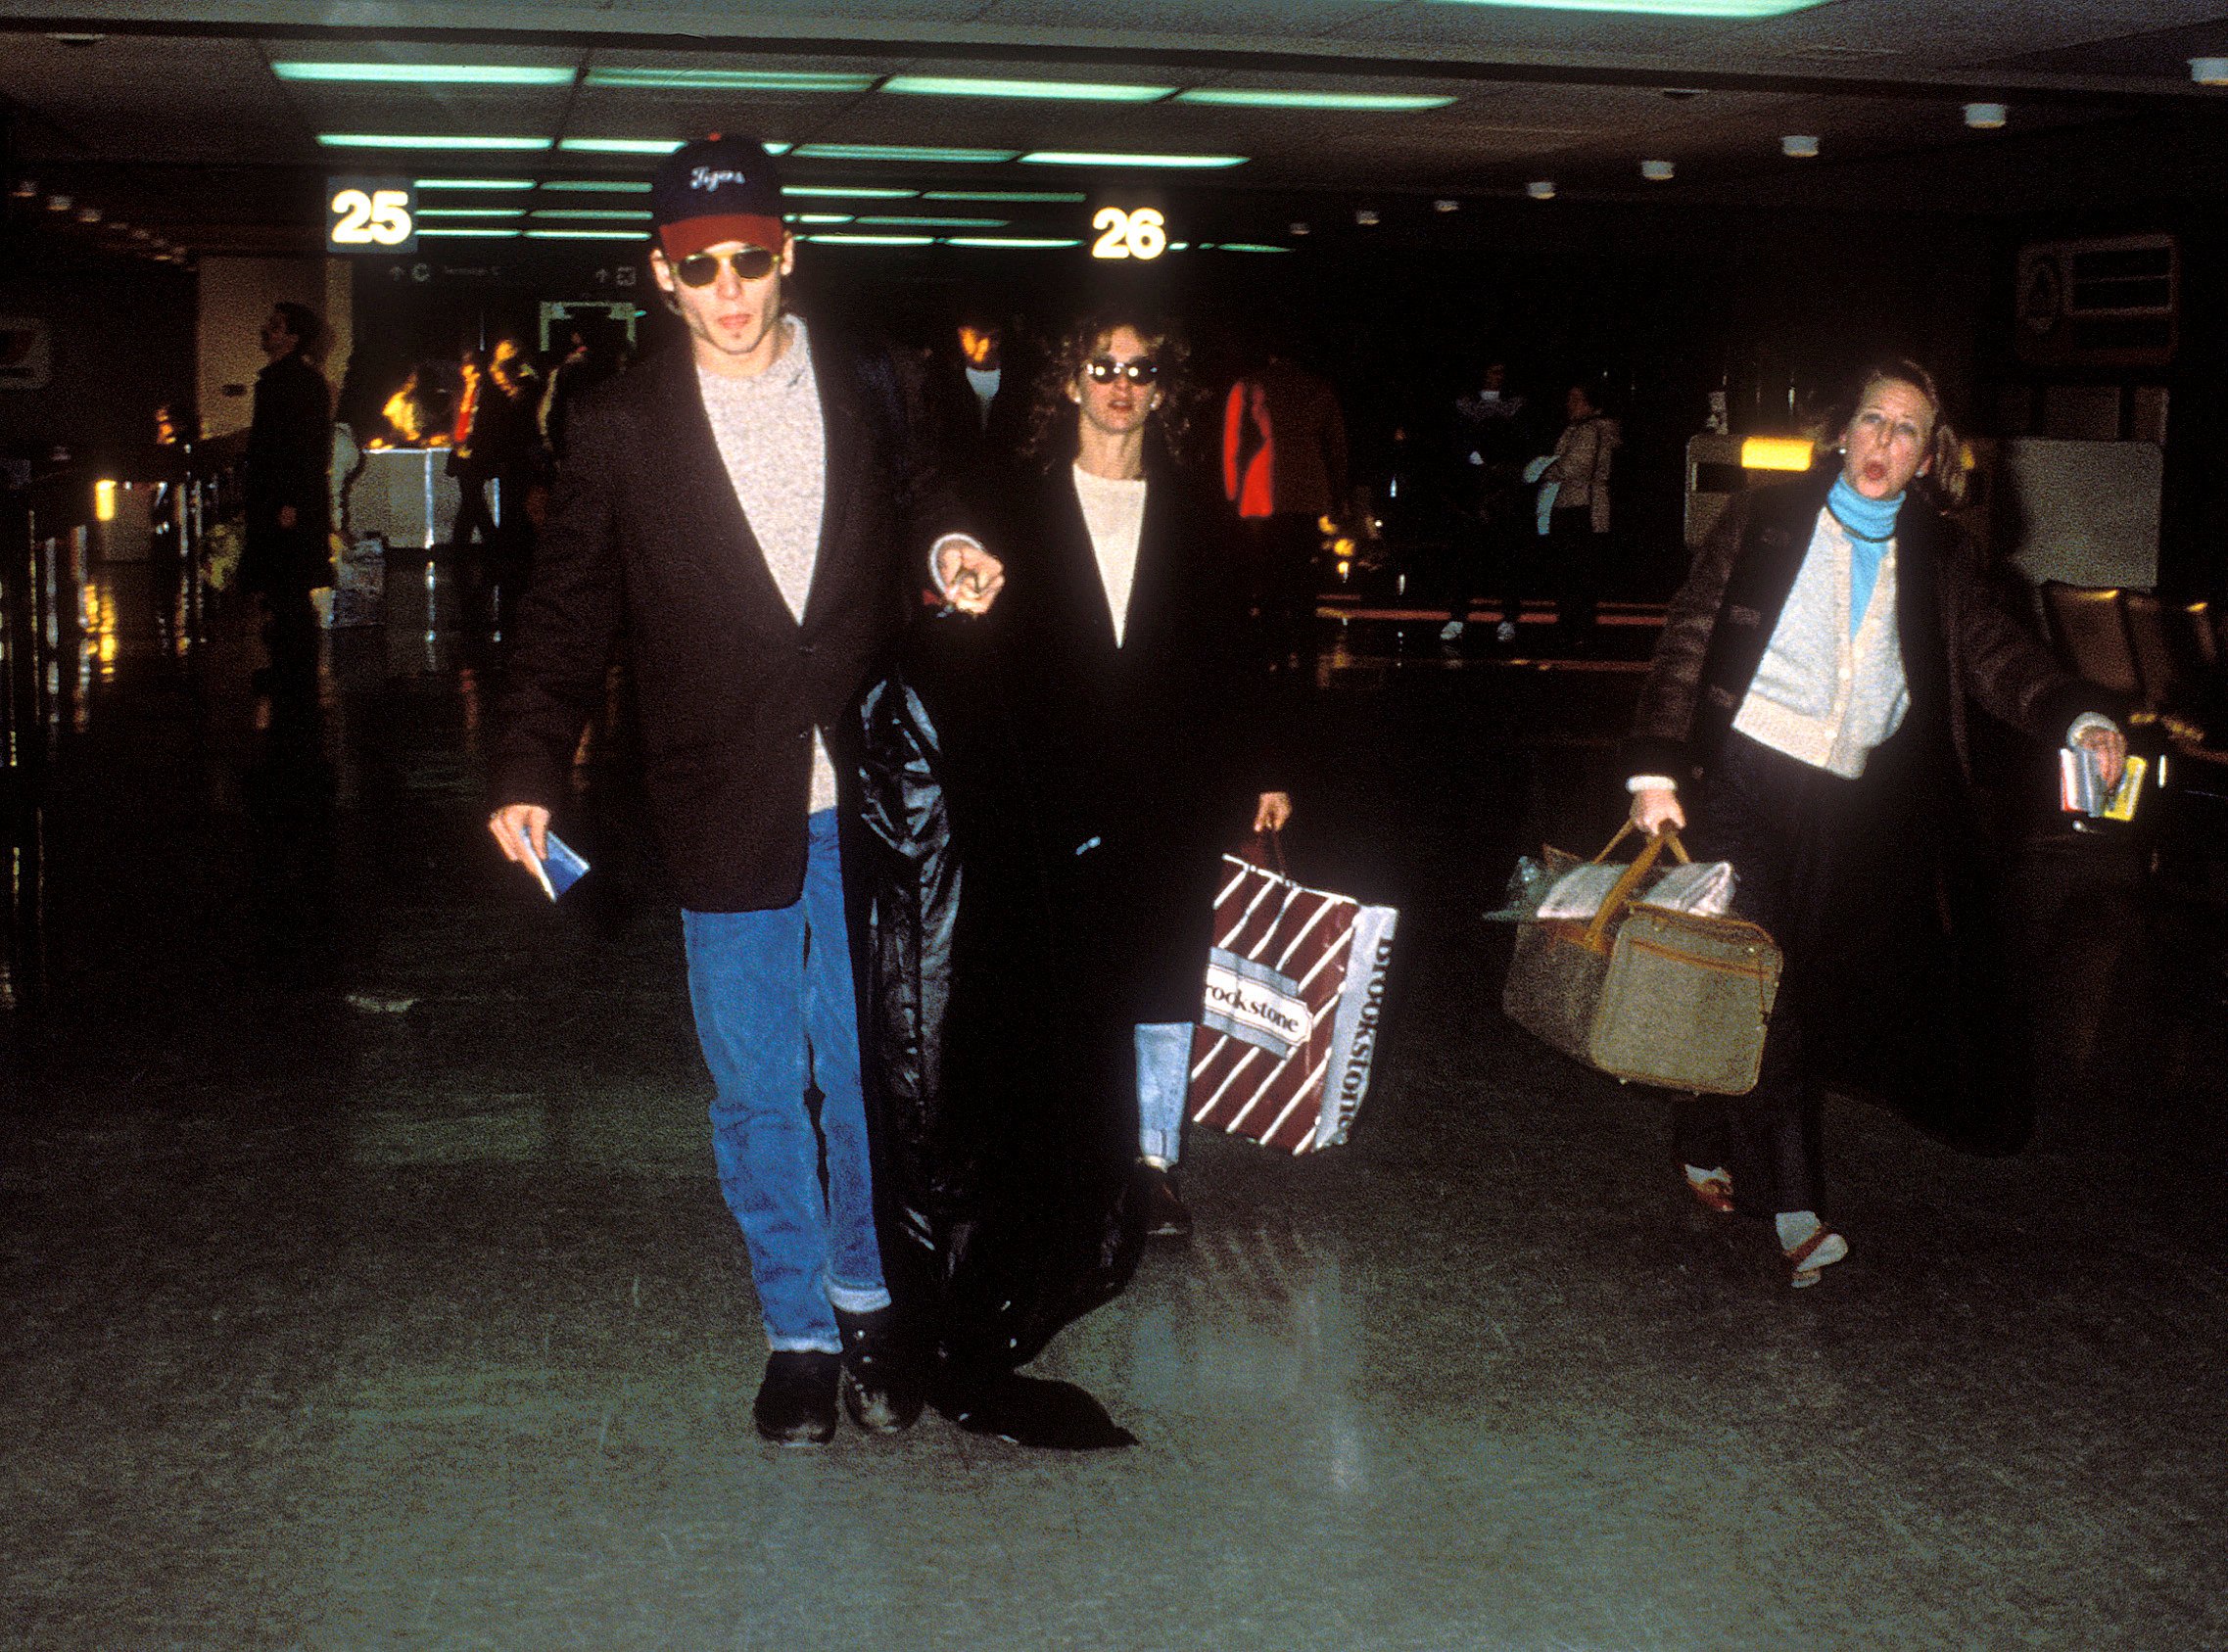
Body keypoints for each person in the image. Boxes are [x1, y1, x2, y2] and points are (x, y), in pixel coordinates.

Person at [487, 134, 1005, 1446]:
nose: (727, 287)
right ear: (661, 278)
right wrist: (528, 763)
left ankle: (870, 1296)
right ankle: (796, 1329)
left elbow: (932, 494)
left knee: (871, 1067)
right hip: (715, 797)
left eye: (749, 259)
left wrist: (951, 542)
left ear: (789, 253)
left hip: (870, 792)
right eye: (696, 265)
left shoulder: (880, 381)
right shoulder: (614, 424)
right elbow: (565, 611)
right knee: (760, 1083)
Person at [1624, 359, 2127, 1287]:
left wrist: (2076, 713)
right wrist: (1656, 765)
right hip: (1741, 771)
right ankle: (1794, 1210)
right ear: (1841, 431)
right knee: (1762, 976)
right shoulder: (1766, 519)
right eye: (1871, 420)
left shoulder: (1938, 554)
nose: (1882, 443)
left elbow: (1992, 656)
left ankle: (1700, 1132)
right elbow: (1690, 630)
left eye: (1906, 431)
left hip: (1849, 800)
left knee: (1779, 986)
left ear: (1929, 457)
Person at [993, 313, 1294, 1245]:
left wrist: (1264, 766)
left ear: (1162, 391)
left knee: (1163, 971)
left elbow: (1238, 656)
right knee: (1061, 971)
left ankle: (1152, 1163)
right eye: (1103, 366)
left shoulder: (1200, 515)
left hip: (1171, 778)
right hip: (1049, 779)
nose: (1121, 383)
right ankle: (1067, 1152)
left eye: (1141, 370)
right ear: (1072, 382)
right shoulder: (1014, 506)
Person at [1221, 348, 1348, 675]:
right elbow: (1336, 444)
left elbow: (1231, 443)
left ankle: (1270, 647)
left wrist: (1231, 494)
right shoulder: (1319, 387)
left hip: (1262, 489)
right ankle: (1304, 648)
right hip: (1308, 487)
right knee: (1304, 572)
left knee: (1267, 570)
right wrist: (1337, 492)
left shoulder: (1250, 384)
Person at [242, 301, 333, 693]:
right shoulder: (295, 380)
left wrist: (289, 501)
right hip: (282, 497)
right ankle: (291, 670)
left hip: (283, 500)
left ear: (293, 338)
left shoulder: (291, 382)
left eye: (275, 325)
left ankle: (293, 672)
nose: (267, 329)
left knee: (286, 587)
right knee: (286, 588)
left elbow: (303, 447)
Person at [1439, 360, 1530, 647]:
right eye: (1492, 371)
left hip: (1504, 488)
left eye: (1502, 371)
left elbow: (1521, 441)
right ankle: (1457, 617)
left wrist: (1503, 466)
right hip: (1473, 491)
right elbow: (1454, 440)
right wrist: (1470, 456)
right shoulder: (1465, 405)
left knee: (1507, 557)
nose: (1497, 377)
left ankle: (1509, 618)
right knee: (1466, 557)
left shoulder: (1516, 405)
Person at [1539, 382, 1618, 645]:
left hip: (1581, 507)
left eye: (1576, 399)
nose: (1569, 404)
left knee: (1576, 572)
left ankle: (1577, 628)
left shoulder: (1590, 430)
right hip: (1571, 504)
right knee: (1570, 571)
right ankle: (1573, 625)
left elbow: (1574, 467)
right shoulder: (1579, 429)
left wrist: (1546, 469)